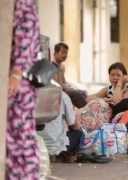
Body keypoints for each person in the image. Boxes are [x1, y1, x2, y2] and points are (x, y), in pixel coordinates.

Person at [6, 0, 40, 178]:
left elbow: (25, 35)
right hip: (16, 81)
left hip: (19, 84)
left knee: (19, 139)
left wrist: (16, 74)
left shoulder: (24, 3)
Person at [38, 92, 82, 163]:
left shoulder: (26, 93)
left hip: (33, 144)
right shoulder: (63, 96)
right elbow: (73, 124)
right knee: (78, 133)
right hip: (55, 147)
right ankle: (66, 155)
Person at [52, 42, 87, 108]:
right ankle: (86, 112)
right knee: (76, 94)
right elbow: (57, 85)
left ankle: (85, 111)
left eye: (66, 53)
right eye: (62, 52)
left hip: (64, 89)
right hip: (57, 91)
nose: (65, 55)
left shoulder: (62, 66)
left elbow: (64, 81)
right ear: (55, 53)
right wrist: (70, 89)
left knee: (83, 92)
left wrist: (73, 87)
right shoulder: (51, 66)